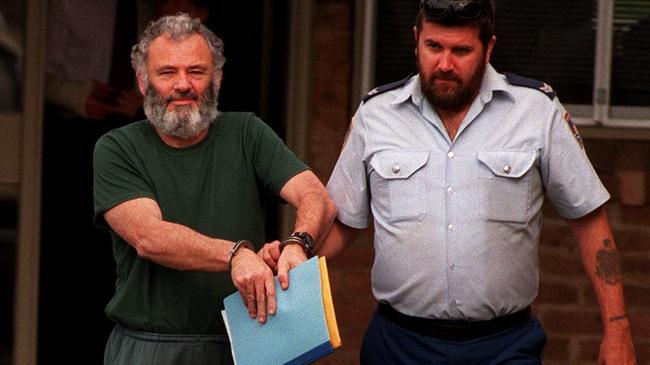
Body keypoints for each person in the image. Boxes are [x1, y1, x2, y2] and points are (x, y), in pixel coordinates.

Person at [318, 0, 637, 364]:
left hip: (504, 346)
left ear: (489, 49)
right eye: (433, 47)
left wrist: (617, 328)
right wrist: (293, 257)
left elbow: (588, 218)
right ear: (415, 40)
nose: (445, 64)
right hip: (399, 345)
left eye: (462, 51)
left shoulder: (535, 112)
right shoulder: (376, 115)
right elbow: (344, 222)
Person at [93, 13, 336, 365]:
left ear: (217, 79)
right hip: (151, 348)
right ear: (143, 82)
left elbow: (317, 197)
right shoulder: (118, 148)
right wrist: (236, 254)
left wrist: (298, 245)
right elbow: (150, 237)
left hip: (248, 342)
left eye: (196, 71)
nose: (183, 85)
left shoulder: (246, 132)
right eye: (167, 73)